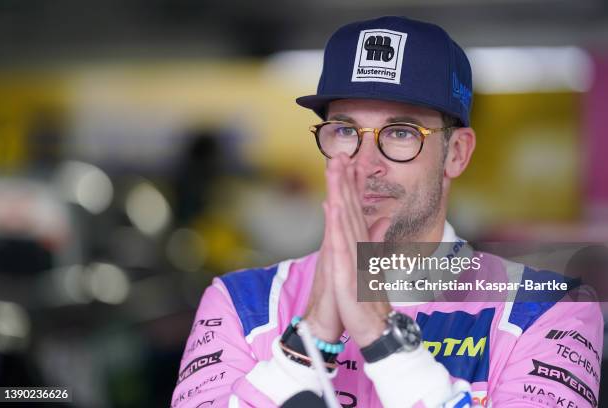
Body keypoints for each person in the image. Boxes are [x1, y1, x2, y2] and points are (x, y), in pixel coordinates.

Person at [170, 16, 603, 408]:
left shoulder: (550, 309)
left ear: (456, 152)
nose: (366, 163)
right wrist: (308, 342)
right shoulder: (242, 304)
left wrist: (384, 339)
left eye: (400, 132)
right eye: (344, 131)